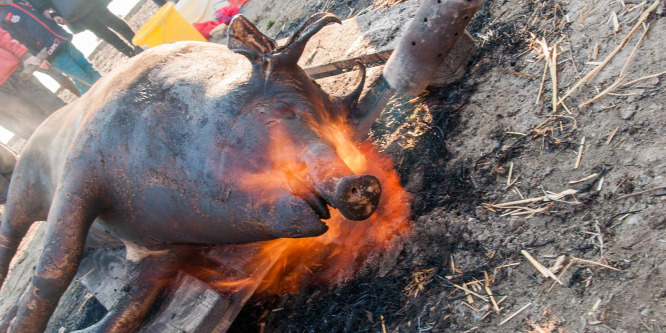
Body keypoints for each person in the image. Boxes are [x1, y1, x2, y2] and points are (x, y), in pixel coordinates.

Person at [0, 1, 101, 94]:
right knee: (79, 77)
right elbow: (17, 41)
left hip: (58, 37)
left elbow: (40, 10)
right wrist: (35, 57)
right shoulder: (1, 16)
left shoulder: (19, 1)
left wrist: (54, 16)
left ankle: (108, 90)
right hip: (47, 52)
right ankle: (97, 102)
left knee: (86, 65)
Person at [0, 26, 65, 140]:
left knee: (54, 105)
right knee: (35, 125)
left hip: (15, 73)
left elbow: (2, 37)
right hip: (3, 98)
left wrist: (25, 56)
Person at [27, 0, 142, 57]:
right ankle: (130, 53)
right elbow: (41, 4)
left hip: (84, 4)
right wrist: (54, 15)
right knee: (103, 32)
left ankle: (138, 44)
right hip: (71, 10)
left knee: (112, 21)